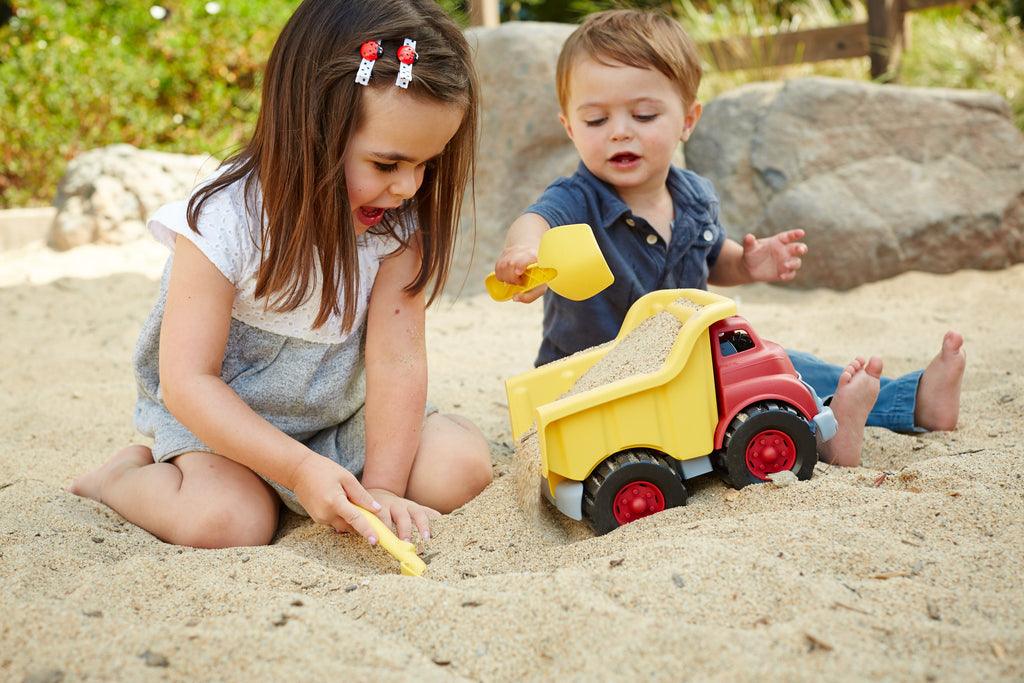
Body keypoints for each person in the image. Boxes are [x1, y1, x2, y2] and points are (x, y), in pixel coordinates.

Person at [70, 0, 493, 549]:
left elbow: (398, 357)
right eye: (387, 164)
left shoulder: (394, 224)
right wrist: (297, 472)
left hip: (339, 419)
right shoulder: (223, 219)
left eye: (426, 164)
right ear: (309, 130)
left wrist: (383, 487)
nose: (409, 188)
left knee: (460, 468)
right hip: (223, 430)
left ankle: (313, 483)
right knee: (227, 523)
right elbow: (188, 382)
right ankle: (120, 479)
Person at [493, 9, 966, 467]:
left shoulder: (694, 195)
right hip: (595, 379)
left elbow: (714, 255)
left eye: (643, 115)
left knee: (779, 362)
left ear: (688, 120)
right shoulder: (578, 199)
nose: (619, 132)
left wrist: (748, 264)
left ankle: (913, 402)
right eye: (596, 121)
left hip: (687, 367)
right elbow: (537, 219)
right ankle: (827, 429)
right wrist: (524, 251)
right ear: (570, 127)